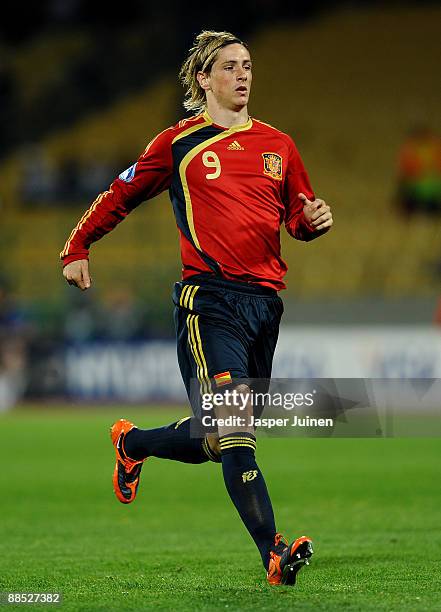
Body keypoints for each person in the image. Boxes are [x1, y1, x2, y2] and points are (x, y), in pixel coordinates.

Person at [60, 30, 333, 586]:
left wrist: (312, 222)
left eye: (247, 65)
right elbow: (121, 192)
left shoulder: (279, 146)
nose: (242, 74)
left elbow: (297, 218)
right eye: (229, 66)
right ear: (204, 79)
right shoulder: (179, 144)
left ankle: (132, 443)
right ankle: (273, 555)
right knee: (234, 431)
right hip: (208, 301)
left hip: (265, 306)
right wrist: (77, 246)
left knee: (215, 437)